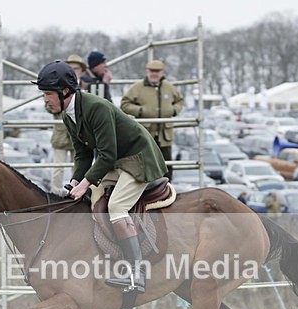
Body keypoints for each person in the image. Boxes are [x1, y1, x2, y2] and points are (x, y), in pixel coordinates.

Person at [34, 60, 167, 294]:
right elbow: (83, 155)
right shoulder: (68, 115)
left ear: (64, 91)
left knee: (116, 207)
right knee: (92, 197)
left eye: (47, 94)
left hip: (139, 159)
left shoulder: (97, 107)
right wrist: (76, 181)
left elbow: (107, 155)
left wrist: (86, 182)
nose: (45, 99)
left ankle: (137, 274)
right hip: (117, 161)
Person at [120, 59, 185, 181]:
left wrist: (174, 110)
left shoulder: (169, 87)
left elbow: (180, 101)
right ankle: (146, 190)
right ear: (147, 71)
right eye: (151, 71)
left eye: (157, 71)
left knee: (166, 164)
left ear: (162, 72)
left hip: (164, 135)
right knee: (145, 164)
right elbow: (124, 104)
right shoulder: (137, 88)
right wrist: (140, 111)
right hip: (145, 133)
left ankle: (167, 189)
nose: (154, 74)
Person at [49, 54, 86, 195]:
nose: (74, 70)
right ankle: (55, 192)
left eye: (76, 68)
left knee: (78, 164)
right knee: (58, 166)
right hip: (62, 131)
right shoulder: (58, 84)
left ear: (81, 71)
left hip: (80, 131)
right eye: (71, 68)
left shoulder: (86, 86)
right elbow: (49, 106)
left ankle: (75, 190)